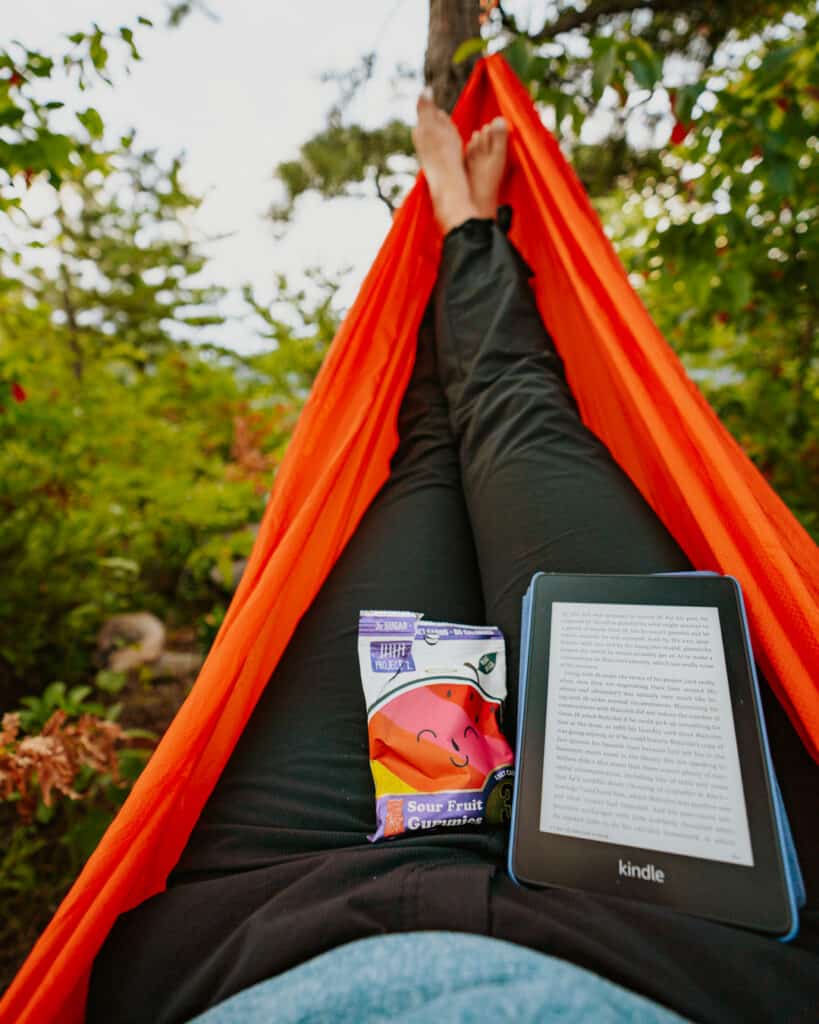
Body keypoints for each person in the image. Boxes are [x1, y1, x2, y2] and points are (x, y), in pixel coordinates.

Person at [87, 90, 819, 1024]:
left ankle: (450, 236)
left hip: (277, 915)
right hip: (686, 934)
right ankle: (468, 230)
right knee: (520, 420)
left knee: (426, 459)